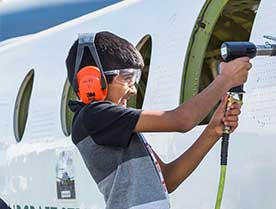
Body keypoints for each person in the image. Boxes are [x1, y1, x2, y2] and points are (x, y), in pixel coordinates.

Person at [65, 31, 251, 209]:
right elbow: (182, 120)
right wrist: (225, 79)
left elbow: (167, 180)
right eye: (127, 79)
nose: (133, 90)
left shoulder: (112, 125)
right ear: (92, 80)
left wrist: (212, 131)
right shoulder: (95, 116)